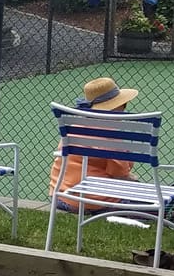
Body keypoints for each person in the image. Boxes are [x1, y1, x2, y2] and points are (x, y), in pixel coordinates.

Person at [48, 76, 139, 212]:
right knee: (147, 199)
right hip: (93, 201)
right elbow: (120, 174)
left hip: (60, 195)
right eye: (123, 104)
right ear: (115, 107)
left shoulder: (74, 127)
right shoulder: (111, 136)